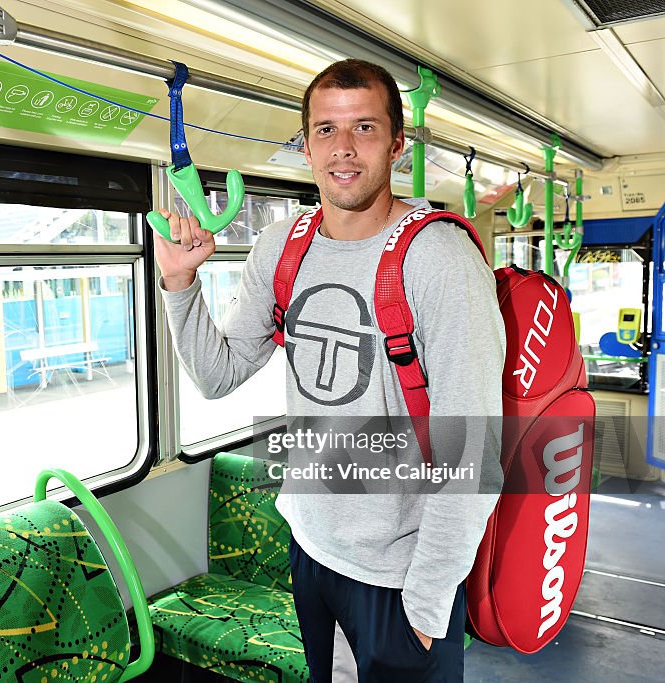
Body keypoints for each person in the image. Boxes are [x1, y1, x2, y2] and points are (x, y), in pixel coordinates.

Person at [152, 58, 505, 682]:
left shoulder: (441, 260)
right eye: (325, 130)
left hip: (401, 574)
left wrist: (426, 604)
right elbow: (218, 374)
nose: (343, 149)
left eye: (365, 128)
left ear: (397, 143)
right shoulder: (282, 246)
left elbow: (472, 450)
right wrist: (180, 284)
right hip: (312, 548)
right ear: (306, 144)